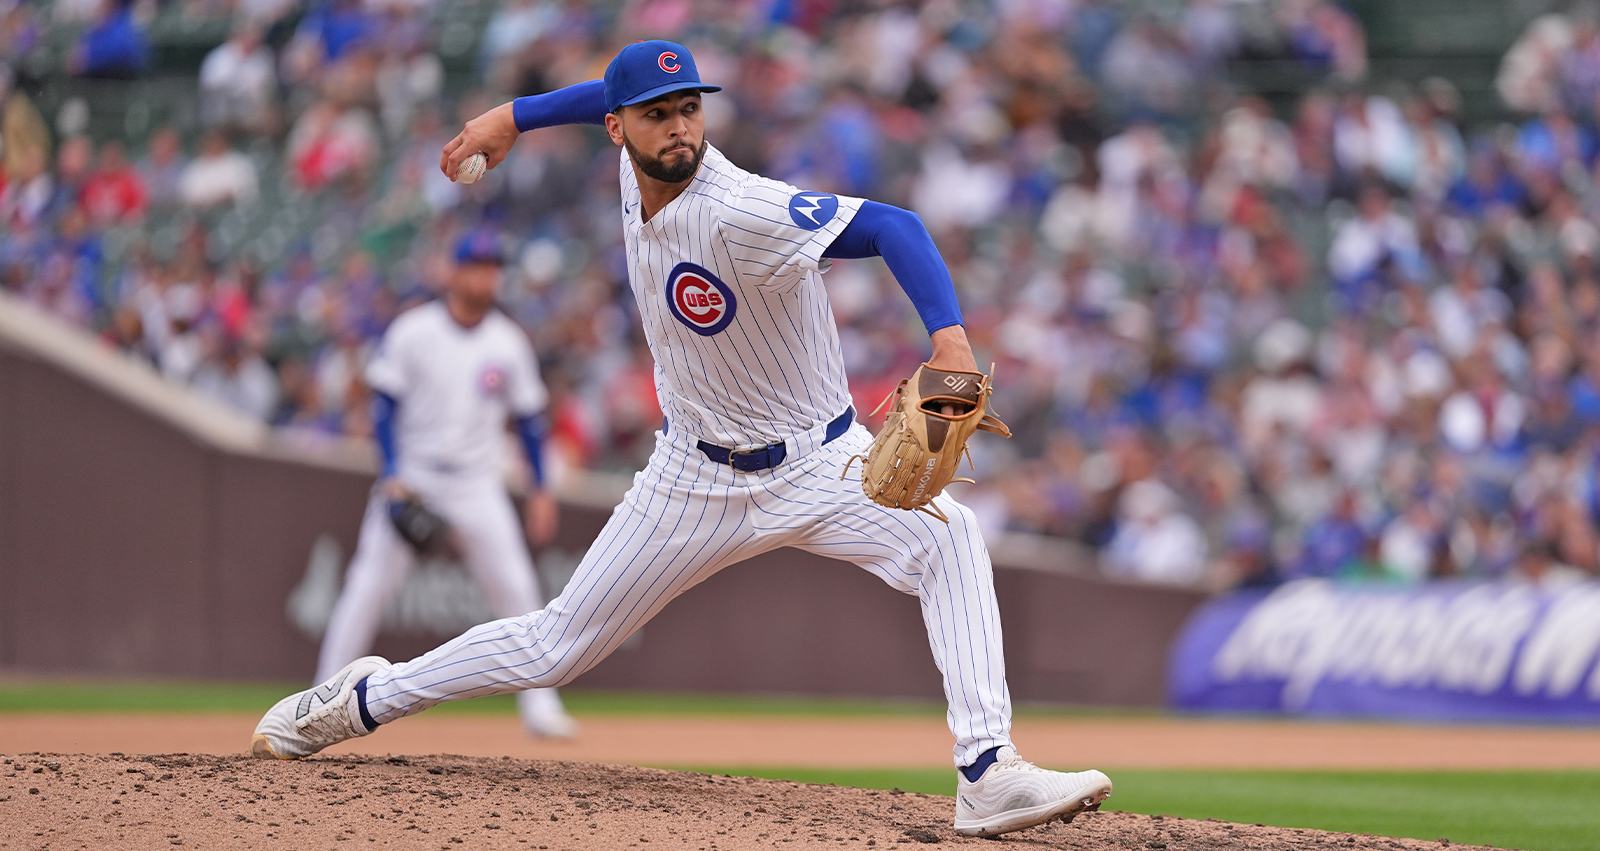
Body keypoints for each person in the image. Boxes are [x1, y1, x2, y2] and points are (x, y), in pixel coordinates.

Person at [252, 41, 1111, 838]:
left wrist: (950, 342)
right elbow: (603, 93)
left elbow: (898, 228)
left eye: (691, 109)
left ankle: (987, 770)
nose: (679, 128)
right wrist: (512, 117)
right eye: (659, 113)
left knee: (951, 538)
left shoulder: (742, 210)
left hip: (820, 461)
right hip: (690, 477)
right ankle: (364, 698)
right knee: (554, 647)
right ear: (618, 130)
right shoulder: (636, 173)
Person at [310, 227, 576, 739]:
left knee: (518, 589)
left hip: (477, 483)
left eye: (492, 268)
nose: (485, 276)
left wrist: (541, 488)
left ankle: (540, 708)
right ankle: (319, 697)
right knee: (366, 588)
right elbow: (383, 407)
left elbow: (529, 421)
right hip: (415, 476)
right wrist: (392, 474)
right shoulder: (414, 331)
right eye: (476, 266)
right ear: (453, 271)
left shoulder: (508, 341)